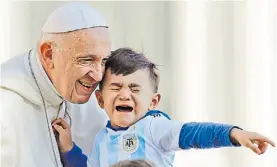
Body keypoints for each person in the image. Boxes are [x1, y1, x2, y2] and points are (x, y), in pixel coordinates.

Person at [52, 48, 275, 167]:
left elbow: (193, 134)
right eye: (116, 87)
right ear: (100, 99)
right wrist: (69, 147)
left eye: (135, 89)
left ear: (153, 102)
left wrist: (234, 134)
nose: (125, 94)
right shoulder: (101, 140)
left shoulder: (153, 127)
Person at [1, 2, 111, 167]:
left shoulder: (93, 105)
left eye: (104, 61)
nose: (98, 75)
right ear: (49, 54)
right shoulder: (6, 107)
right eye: (86, 60)